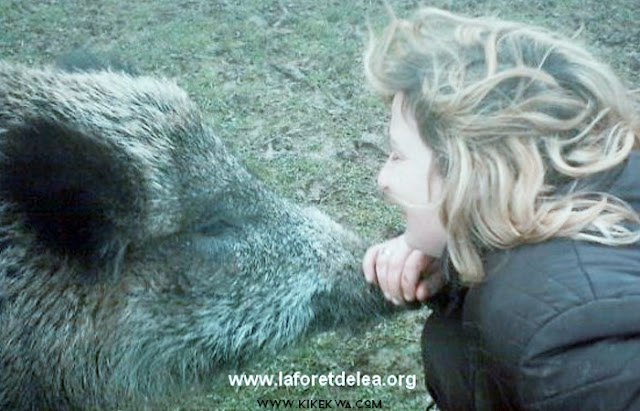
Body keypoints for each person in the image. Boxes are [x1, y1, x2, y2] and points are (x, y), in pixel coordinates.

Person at [362, 7, 640, 410]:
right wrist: (457, 252)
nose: (382, 179)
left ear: (471, 174)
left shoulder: (571, 343)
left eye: (398, 156)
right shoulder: (578, 193)